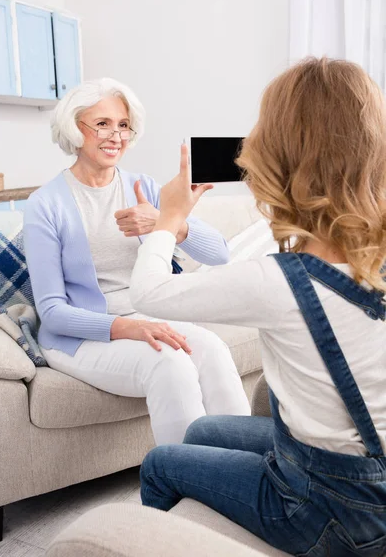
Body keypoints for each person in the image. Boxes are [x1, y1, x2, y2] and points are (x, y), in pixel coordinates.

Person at [129, 58, 386, 556]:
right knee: (203, 430)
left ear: (276, 160)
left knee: (160, 464)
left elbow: (149, 293)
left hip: (330, 508)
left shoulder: (274, 280)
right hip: (366, 472)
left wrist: (170, 218)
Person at [23, 78, 251, 446]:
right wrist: (129, 329)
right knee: (171, 365)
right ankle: (189, 476)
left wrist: (169, 224)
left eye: (123, 125)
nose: (116, 135)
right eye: (102, 124)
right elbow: (52, 312)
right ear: (74, 128)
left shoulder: (141, 187)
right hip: (79, 336)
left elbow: (220, 254)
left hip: (150, 319)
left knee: (212, 349)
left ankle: (246, 467)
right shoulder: (45, 204)